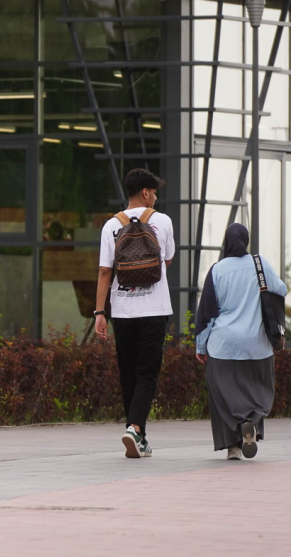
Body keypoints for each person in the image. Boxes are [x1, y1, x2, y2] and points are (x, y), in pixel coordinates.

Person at [94, 168, 175, 458]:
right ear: (145, 192)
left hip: (122, 311)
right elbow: (167, 260)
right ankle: (136, 428)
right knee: (147, 373)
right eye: (154, 192)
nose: (155, 198)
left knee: (128, 373)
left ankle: (137, 434)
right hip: (154, 310)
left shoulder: (111, 225)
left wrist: (99, 312)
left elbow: (105, 271)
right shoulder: (162, 221)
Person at [195, 223, 287, 460]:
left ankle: (233, 448)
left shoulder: (217, 270)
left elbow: (207, 315)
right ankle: (251, 423)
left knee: (223, 396)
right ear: (246, 240)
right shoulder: (260, 264)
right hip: (257, 345)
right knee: (259, 390)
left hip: (223, 346)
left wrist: (201, 346)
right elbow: (281, 289)